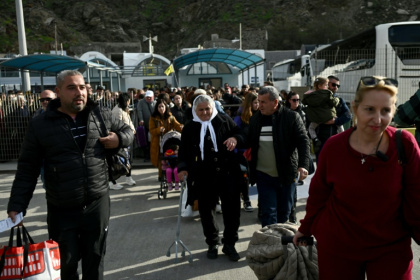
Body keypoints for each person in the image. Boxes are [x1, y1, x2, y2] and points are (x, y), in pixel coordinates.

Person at [7, 70, 134, 280]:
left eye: (82, 87)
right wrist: (17, 206)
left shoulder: (100, 113)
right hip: (61, 207)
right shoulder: (41, 124)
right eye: (72, 88)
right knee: (66, 265)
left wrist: (119, 139)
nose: (79, 92)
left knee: (95, 261)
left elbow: (128, 131)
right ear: (58, 92)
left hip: (97, 203)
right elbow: (27, 168)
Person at [294, 76, 420, 280]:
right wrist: (306, 228)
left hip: (391, 248)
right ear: (355, 108)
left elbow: (417, 196)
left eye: (386, 111)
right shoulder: (333, 147)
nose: (377, 119)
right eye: (369, 109)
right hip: (338, 247)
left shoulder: (404, 144)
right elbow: (318, 195)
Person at [177, 94, 245, 261]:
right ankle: (212, 242)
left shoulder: (223, 120)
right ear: (195, 110)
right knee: (206, 211)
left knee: (232, 210)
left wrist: (235, 139)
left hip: (227, 173)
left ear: (212, 107)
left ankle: (229, 243)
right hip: (203, 175)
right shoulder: (190, 127)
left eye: (208, 108)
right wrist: (182, 168)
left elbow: (241, 134)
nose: (205, 112)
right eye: (201, 110)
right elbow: (183, 152)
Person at [247, 86, 311, 228]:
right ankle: (269, 245)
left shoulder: (291, 117)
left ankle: (281, 246)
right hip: (264, 175)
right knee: (268, 213)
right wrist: (234, 138)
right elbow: (246, 138)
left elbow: (304, 141)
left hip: (287, 175)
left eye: (263, 102)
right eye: (258, 101)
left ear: (275, 102)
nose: (259, 105)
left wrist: (303, 165)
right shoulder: (256, 119)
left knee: (284, 214)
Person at [313, 75, 352, 159]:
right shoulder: (315, 99)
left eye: (338, 86)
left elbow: (348, 115)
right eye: (333, 85)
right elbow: (309, 117)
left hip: (335, 141)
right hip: (320, 141)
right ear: (327, 84)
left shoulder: (339, 101)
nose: (336, 88)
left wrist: (335, 121)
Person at [233, 92, 259, 212]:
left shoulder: (261, 115)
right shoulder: (240, 117)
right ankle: (246, 200)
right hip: (242, 153)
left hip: (258, 152)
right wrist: (236, 152)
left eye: (259, 102)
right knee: (244, 178)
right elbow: (234, 134)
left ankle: (261, 203)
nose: (258, 105)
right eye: (255, 102)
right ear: (249, 103)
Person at [302, 77, 343, 153]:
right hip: (329, 116)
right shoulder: (327, 93)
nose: (328, 86)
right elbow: (333, 102)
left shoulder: (311, 95)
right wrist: (337, 99)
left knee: (311, 128)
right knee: (339, 124)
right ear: (320, 86)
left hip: (317, 118)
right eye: (326, 85)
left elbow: (305, 101)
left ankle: (315, 139)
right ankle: (343, 137)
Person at [149, 99, 183, 179]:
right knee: (160, 159)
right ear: (157, 108)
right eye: (159, 107)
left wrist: (181, 127)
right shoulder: (153, 118)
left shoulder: (170, 117)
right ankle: (161, 175)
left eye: (163, 106)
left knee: (170, 158)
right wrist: (158, 130)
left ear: (166, 107)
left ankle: (171, 175)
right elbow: (151, 130)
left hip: (169, 140)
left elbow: (177, 125)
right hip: (158, 141)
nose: (161, 108)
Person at [110, 92, 137, 189]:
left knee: (129, 158)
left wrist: (133, 130)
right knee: (120, 160)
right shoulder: (117, 111)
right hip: (122, 139)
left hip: (129, 137)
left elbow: (129, 122)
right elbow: (117, 126)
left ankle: (128, 177)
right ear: (126, 101)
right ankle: (112, 181)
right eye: (129, 100)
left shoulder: (125, 109)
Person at [137, 90, 156, 161]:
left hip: (153, 125)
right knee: (145, 141)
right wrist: (141, 119)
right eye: (147, 97)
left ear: (153, 97)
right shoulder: (141, 102)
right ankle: (147, 155)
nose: (148, 99)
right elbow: (139, 111)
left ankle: (153, 155)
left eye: (150, 97)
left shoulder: (155, 103)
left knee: (152, 140)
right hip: (145, 124)